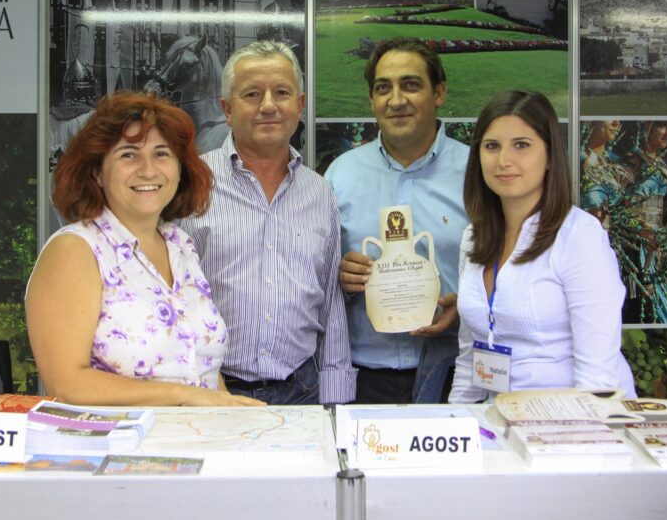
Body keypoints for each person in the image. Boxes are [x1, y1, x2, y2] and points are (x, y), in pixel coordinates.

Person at [26, 92, 262, 407]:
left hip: (199, 446)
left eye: (162, 154)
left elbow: (199, 364)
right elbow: (67, 383)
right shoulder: (75, 250)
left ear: (180, 169)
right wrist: (184, 396)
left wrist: (227, 407)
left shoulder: (180, 245)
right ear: (97, 171)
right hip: (116, 451)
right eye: (128, 155)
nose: (148, 170)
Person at [180, 40, 356, 405]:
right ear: (227, 110)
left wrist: (336, 399)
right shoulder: (190, 183)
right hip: (213, 391)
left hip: (303, 390)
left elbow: (329, 301)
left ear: (300, 105)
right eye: (251, 94)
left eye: (281, 93)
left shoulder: (319, 191)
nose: (268, 106)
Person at [448, 90, 635, 403]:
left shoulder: (579, 236)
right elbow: (470, 358)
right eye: (492, 146)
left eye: (521, 145)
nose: (504, 160)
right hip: (501, 423)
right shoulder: (473, 237)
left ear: (550, 156)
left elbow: (597, 379)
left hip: (571, 428)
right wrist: (457, 422)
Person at [325, 37, 468, 404]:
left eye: (411, 85)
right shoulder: (340, 175)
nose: (396, 100)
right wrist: (339, 277)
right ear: (372, 100)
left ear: (439, 93)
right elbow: (315, 276)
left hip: (455, 373)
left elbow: (503, 270)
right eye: (383, 88)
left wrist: (465, 303)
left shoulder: (475, 174)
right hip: (363, 377)